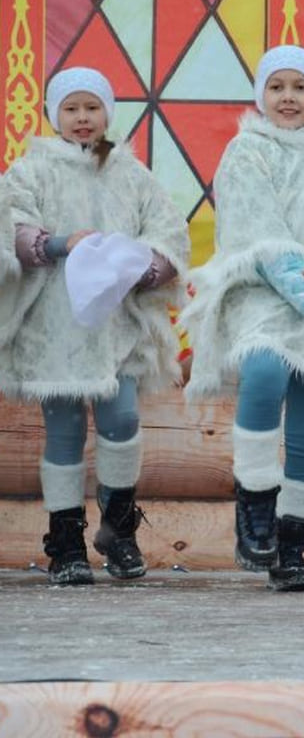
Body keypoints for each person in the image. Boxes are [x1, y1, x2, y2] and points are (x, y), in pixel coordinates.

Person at [0, 67, 189, 584]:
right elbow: (11, 229)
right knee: (63, 431)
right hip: (54, 332)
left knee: (122, 420)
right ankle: (65, 542)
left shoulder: (131, 174)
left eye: (92, 107)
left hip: (117, 327)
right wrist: (59, 244)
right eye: (71, 108)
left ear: (108, 112)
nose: (82, 118)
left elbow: (169, 231)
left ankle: (118, 528)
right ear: (54, 115)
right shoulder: (31, 171)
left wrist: (146, 268)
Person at [179, 45, 304, 592]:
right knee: (266, 372)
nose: (288, 98)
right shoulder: (247, 150)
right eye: (277, 88)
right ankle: (254, 499)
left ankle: (294, 542)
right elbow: (260, 232)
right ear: (261, 96)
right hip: (261, 292)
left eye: (300, 88)